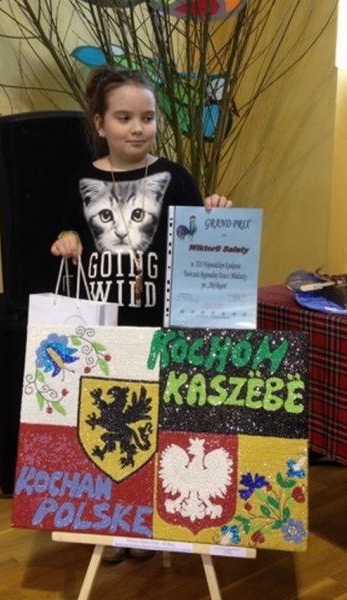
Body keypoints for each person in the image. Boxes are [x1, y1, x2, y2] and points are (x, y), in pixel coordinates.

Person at [50, 65, 232, 561]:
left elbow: (197, 238)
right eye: (124, 117)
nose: (137, 128)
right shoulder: (82, 178)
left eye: (147, 118)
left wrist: (214, 211)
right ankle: (112, 525)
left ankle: (143, 523)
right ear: (100, 122)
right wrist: (66, 239)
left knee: (153, 428)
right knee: (108, 428)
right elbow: (69, 230)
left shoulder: (176, 177)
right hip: (104, 334)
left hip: (160, 329)